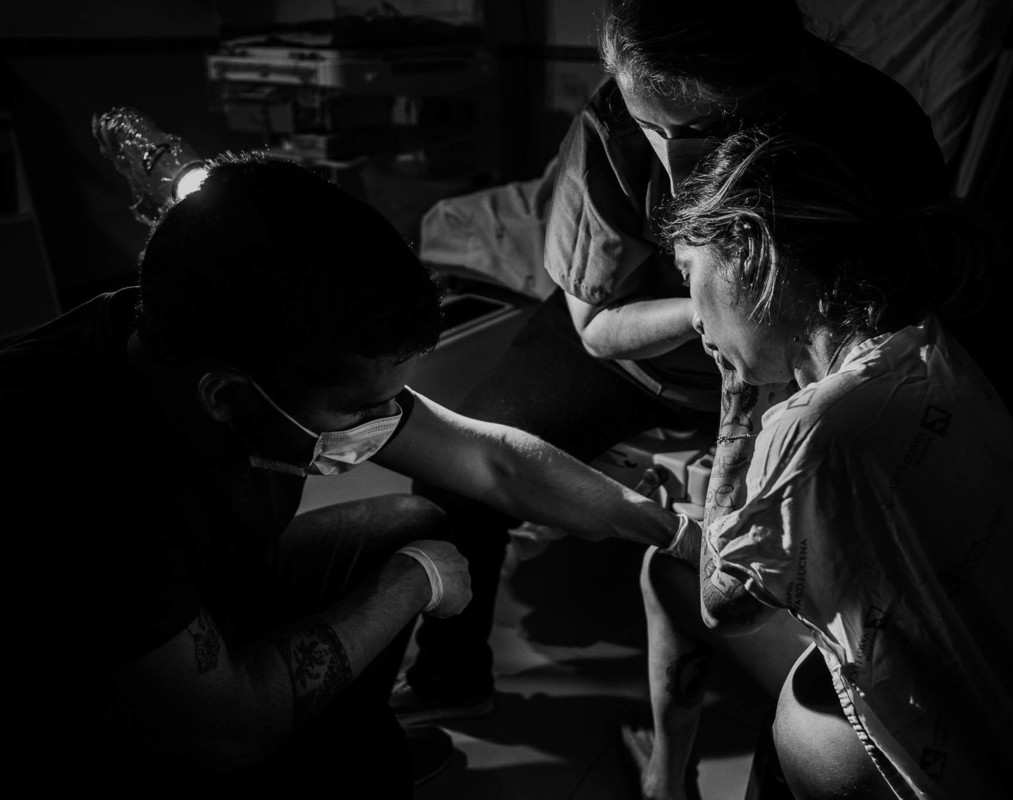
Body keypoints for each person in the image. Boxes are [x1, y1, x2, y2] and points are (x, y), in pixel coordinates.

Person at [1, 152, 687, 794]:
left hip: (203, 598)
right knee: (363, 749)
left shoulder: (208, 332)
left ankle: (326, 727)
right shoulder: (78, 469)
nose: (387, 421)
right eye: (362, 408)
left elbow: (494, 463)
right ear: (229, 397)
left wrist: (672, 531)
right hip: (97, 698)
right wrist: (411, 584)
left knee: (411, 526)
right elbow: (226, 729)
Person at [392, 0, 950, 727]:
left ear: (777, 82)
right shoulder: (609, 131)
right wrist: (711, 311)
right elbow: (595, 333)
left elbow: (897, 310)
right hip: (641, 339)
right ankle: (450, 675)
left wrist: (761, 337)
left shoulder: (873, 124)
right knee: (461, 479)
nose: (678, 163)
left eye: (703, 127)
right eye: (652, 130)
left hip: (790, 347)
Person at [634, 128, 1013, 799]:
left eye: (689, 275)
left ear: (752, 253)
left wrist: (736, 402)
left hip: (958, 766)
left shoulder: (814, 432)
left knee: (668, 568)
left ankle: (663, 786)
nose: (695, 320)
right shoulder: (929, 349)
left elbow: (719, 603)